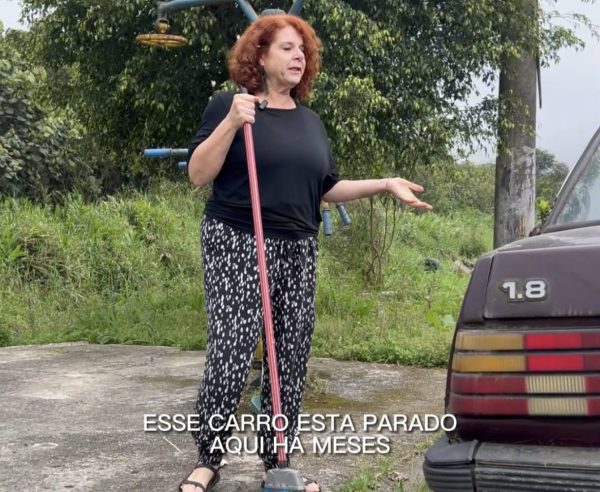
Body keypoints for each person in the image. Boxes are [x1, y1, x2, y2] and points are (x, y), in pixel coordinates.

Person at [180, 13, 432, 492]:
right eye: (287, 48)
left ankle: (278, 461)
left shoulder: (309, 121)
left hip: (299, 247)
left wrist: (384, 183)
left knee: (289, 357)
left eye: (302, 50)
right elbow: (198, 174)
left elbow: (327, 187)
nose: (299, 56)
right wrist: (231, 123)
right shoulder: (229, 106)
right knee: (232, 351)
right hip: (238, 240)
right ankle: (208, 458)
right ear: (260, 56)